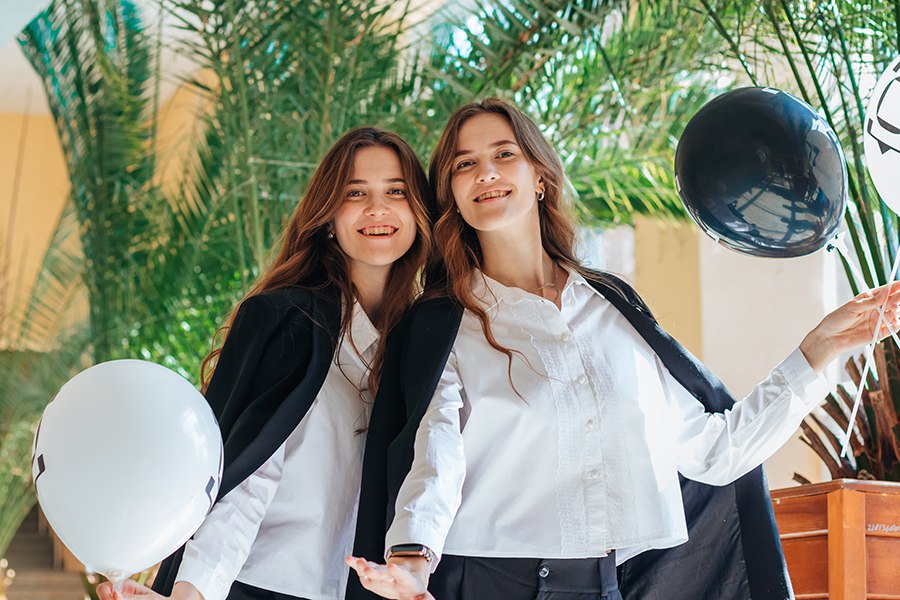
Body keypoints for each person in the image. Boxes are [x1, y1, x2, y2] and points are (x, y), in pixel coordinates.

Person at [346, 98, 900, 600]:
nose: (485, 172)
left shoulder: (611, 305)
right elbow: (435, 449)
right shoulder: (444, 322)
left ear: (540, 177)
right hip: (490, 579)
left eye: (504, 153)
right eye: (464, 163)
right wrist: (412, 559)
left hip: (609, 583)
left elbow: (715, 452)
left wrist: (822, 346)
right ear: (452, 195)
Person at [97, 126, 432, 600]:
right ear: (328, 218)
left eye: (395, 191)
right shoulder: (287, 320)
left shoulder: (425, 344)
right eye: (355, 193)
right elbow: (248, 474)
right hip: (250, 582)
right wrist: (193, 594)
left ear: (419, 212)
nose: (377, 208)